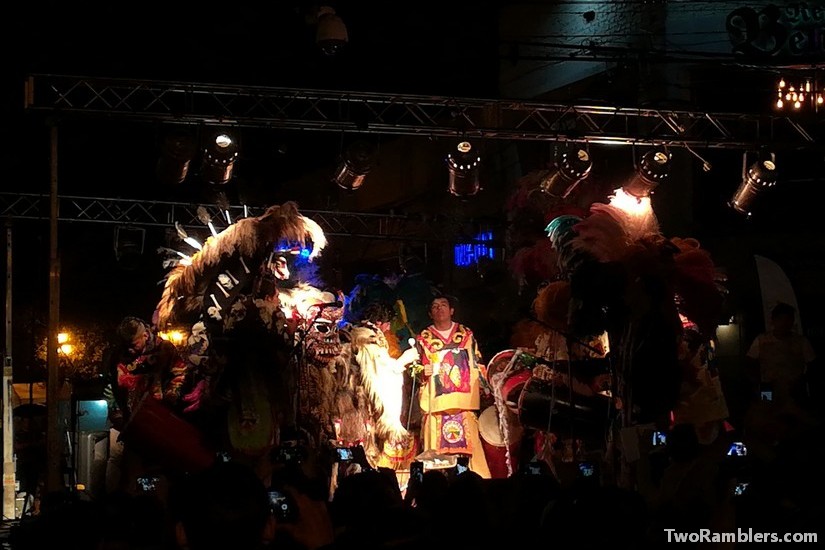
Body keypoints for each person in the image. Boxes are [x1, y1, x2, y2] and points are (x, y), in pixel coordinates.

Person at [413, 295, 491, 478]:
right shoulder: (424, 338)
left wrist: (485, 385)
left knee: (472, 450)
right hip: (437, 407)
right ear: (430, 313)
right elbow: (415, 369)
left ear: (452, 310)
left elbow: (476, 362)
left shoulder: (466, 334)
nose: (439, 309)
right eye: (435, 307)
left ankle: (479, 484)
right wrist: (423, 371)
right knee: (435, 452)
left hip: (463, 405)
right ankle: (435, 487)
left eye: (443, 305)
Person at [745, 302, 815, 412]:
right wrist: (757, 383)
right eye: (781, 319)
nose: (784, 323)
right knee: (768, 414)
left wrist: (802, 380)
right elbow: (750, 361)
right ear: (773, 320)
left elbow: (812, 363)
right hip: (768, 387)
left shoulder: (801, 341)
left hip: (794, 388)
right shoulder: (762, 340)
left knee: (797, 416)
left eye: (788, 319)